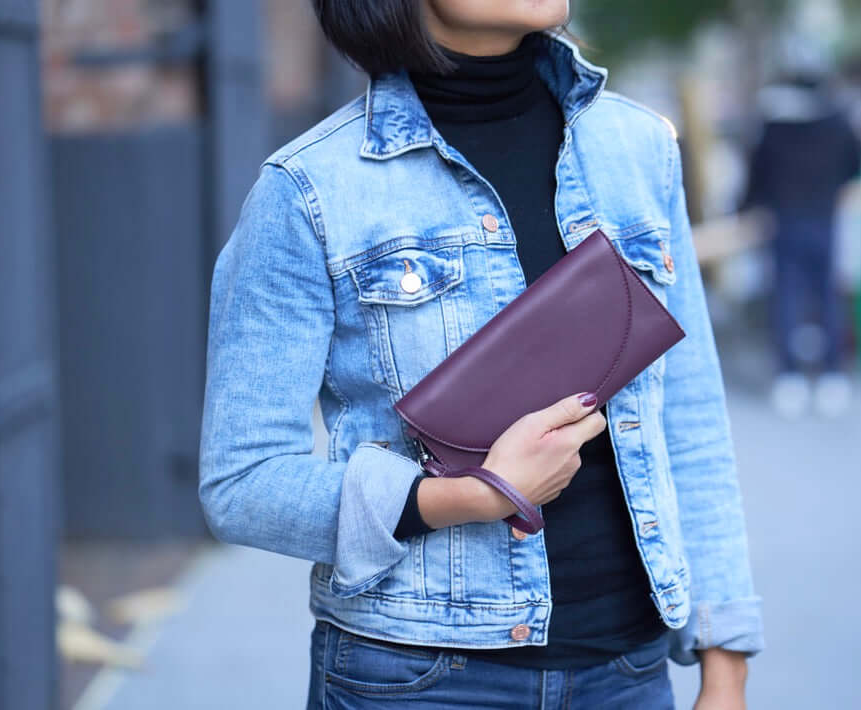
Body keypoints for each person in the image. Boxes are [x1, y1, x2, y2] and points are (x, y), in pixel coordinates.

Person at [198, 1, 762, 707]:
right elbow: (242, 481)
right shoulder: (309, 188)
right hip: (417, 677)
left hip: (627, 672)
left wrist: (724, 661)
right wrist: (461, 497)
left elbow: (690, 419)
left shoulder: (637, 148)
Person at [742, 68, 861, 418]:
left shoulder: (774, 125)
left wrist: (747, 206)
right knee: (827, 295)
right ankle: (833, 376)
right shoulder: (840, 121)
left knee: (786, 297)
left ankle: (789, 377)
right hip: (825, 218)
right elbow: (855, 167)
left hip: (784, 222)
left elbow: (756, 174)